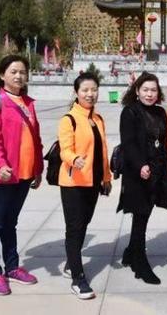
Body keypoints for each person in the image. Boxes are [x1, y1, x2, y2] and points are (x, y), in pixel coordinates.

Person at [0, 54, 42, 295]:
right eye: (13, 71)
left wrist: (38, 169)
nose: (18, 76)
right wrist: (0, 164)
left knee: (10, 223)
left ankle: (12, 267)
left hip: (23, 175)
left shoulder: (28, 102)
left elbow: (36, 139)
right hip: (1, 175)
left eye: (22, 72)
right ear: (2, 75)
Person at [58, 72, 113, 300]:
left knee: (83, 224)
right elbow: (65, 149)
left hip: (93, 182)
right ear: (76, 93)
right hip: (73, 182)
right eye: (85, 90)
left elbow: (103, 151)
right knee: (75, 227)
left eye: (93, 90)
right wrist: (74, 159)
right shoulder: (69, 119)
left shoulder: (97, 119)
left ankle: (72, 262)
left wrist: (106, 177)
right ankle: (78, 278)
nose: (90, 94)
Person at [117, 72, 167, 284]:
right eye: (146, 90)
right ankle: (140, 263)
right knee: (140, 216)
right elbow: (128, 143)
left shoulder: (160, 112)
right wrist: (141, 165)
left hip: (157, 171)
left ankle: (131, 251)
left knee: (144, 215)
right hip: (137, 172)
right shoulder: (130, 112)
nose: (150, 94)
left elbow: (163, 139)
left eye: (153, 90)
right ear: (137, 91)